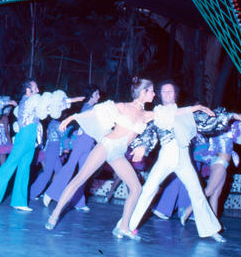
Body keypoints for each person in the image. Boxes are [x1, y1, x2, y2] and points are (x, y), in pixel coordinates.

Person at [128, 80, 241, 242]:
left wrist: (232, 116)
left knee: (197, 192)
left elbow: (208, 120)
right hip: (167, 155)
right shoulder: (158, 112)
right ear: (159, 95)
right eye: (164, 91)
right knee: (148, 189)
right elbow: (148, 131)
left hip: (183, 156)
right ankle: (128, 225)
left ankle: (210, 229)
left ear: (175, 94)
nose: (167, 94)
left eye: (170, 91)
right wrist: (142, 146)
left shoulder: (186, 113)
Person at [45, 77, 155, 240]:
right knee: (80, 178)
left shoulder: (148, 115)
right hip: (107, 145)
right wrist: (71, 118)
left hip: (118, 154)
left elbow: (170, 117)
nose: (154, 94)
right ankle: (55, 214)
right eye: (151, 91)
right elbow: (95, 112)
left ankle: (123, 227)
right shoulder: (123, 107)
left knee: (136, 188)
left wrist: (199, 108)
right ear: (144, 92)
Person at [0, 79, 84, 211]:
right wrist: (71, 100)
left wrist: (70, 101)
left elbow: (49, 105)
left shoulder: (32, 101)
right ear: (28, 90)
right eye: (35, 88)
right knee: (10, 164)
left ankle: (19, 201)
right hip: (25, 136)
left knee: (24, 168)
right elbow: (50, 103)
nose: (38, 91)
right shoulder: (30, 101)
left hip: (31, 136)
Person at [181, 111, 241, 223]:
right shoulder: (220, 130)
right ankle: (187, 211)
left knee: (215, 195)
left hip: (221, 163)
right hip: (219, 163)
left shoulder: (224, 129)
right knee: (209, 191)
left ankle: (214, 224)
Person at [42, 84, 100, 212]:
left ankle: (78, 202)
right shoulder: (87, 108)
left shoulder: (92, 108)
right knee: (69, 168)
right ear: (91, 95)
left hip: (88, 142)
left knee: (84, 172)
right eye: (96, 94)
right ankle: (50, 193)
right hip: (82, 141)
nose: (99, 96)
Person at [29, 117, 68, 201]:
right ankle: (32, 193)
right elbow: (63, 135)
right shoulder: (55, 123)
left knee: (60, 173)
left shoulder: (54, 122)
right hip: (53, 148)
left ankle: (58, 194)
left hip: (54, 149)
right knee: (48, 173)